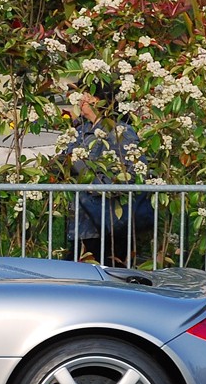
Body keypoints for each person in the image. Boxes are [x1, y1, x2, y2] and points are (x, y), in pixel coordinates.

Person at [59, 84, 154, 266]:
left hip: (109, 223)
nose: (81, 99)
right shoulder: (80, 129)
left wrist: (84, 172)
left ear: (99, 100)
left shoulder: (120, 132)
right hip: (83, 223)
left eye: (86, 94)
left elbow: (132, 174)